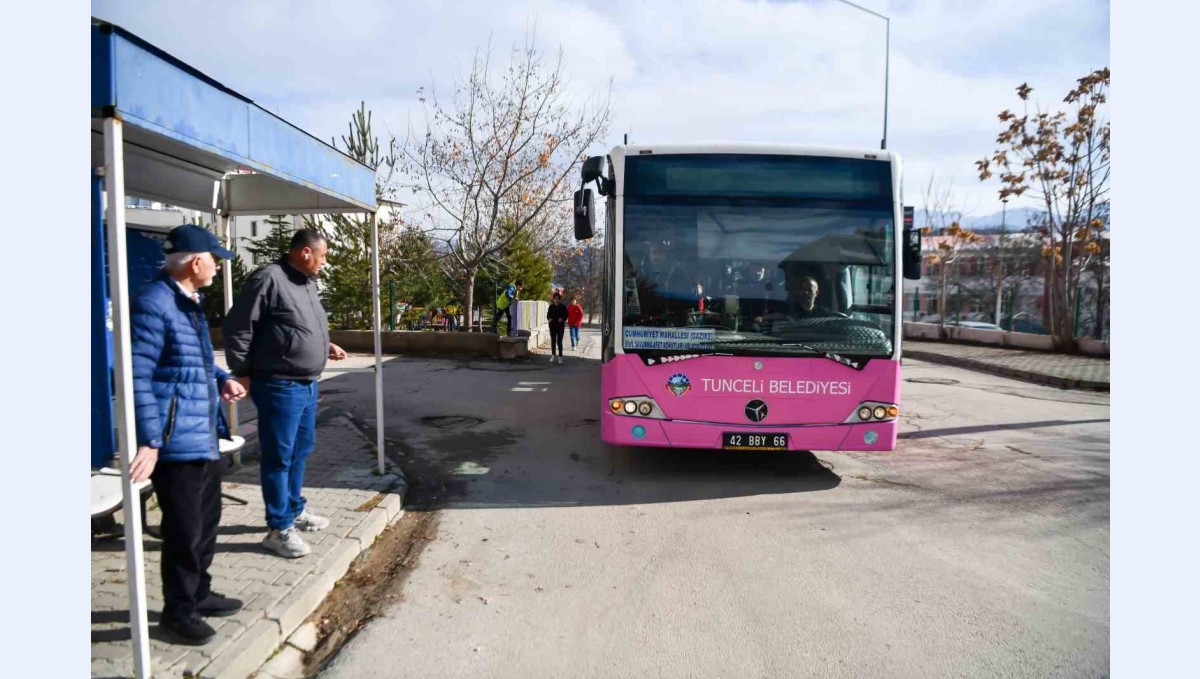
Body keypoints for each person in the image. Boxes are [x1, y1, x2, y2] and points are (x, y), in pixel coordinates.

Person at [129, 224, 248, 645]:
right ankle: (177, 612)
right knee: (183, 530)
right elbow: (137, 375)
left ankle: (200, 593)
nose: (217, 266)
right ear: (196, 263)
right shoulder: (154, 303)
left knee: (207, 522)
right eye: (214, 259)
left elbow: (190, 359)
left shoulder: (187, 302)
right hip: (175, 439)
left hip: (202, 434)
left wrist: (220, 378)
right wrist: (150, 439)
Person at [223, 229, 348, 559]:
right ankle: (278, 528)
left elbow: (299, 326)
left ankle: (294, 509)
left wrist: (326, 344)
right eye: (322, 256)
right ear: (306, 253)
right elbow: (238, 328)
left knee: (301, 449)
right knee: (279, 456)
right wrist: (243, 373)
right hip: (279, 384)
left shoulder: (307, 282)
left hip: (307, 384)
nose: (325, 262)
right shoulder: (269, 279)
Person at [547, 292, 569, 363]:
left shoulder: (563, 307)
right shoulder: (551, 306)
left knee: (559, 341)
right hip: (552, 325)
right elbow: (548, 315)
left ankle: (560, 357)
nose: (556, 300)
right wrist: (549, 318)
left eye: (558, 299)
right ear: (553, 299)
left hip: (560, 326)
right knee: (553, 340)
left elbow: (566, 315)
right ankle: (553, 355)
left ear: (560, 299)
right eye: (555, 299)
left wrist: (562, 318)